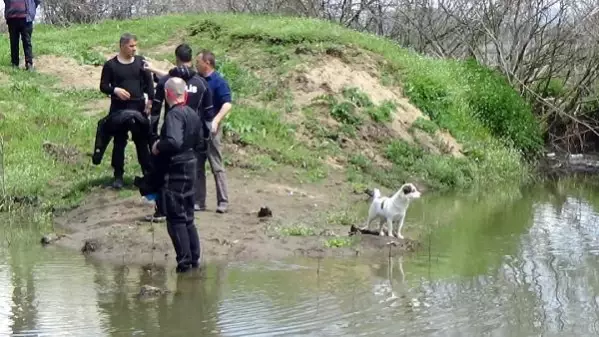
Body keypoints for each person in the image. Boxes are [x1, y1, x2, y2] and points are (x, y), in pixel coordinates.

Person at [142, 43, 214, 221]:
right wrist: (205, 137)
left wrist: (153, 137)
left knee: (163, 171)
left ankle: (162, 210)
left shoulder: (167, 82)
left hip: (172, 133)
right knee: (194, 169)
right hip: (193, 135)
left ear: (176, 57)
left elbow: (155, 113)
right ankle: (192, 205)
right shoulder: (201, 83)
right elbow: (208, 115)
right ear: (192, 59)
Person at [152, 76, 203, 273]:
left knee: (175, 217)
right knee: (188, 216)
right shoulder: (193, 113)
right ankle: (194, 259)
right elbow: (200, 142)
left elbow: (173, 141)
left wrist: (157, 146)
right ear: (186, 94)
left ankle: (184, 261)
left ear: (167, 94)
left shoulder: (174, 115)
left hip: (177, 170)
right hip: (192, 166)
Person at [99, 32, 155, 189]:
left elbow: (149, 84)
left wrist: (150, 102)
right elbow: (103, 86)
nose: (134, 49)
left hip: (138, 107)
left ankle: (147, 174)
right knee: (119, 142)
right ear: (122, 46)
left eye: (135, 46)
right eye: (131, 46)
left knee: (141, 142)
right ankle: (118, 176)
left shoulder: (140, 62)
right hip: (119, 109)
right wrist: (115, 90)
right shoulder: (111, 65)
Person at [194, 49, 233, 214]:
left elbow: (227, 104)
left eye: (198, 62)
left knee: (216, 165)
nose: (196, 65)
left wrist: (216, 121)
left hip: (212, 129)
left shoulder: (218, 82)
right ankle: (199, 201)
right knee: (197, 166)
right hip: (197, 129)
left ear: (207, 63)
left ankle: (223, 201)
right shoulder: (196, 80)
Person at [4, 0, 41, 71]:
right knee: (14, 42)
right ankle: (14, 64)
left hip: (26, 17)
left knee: (27, 41)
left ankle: (29, 64)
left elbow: (37, 1)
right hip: (12, 17)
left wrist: (31, 9)